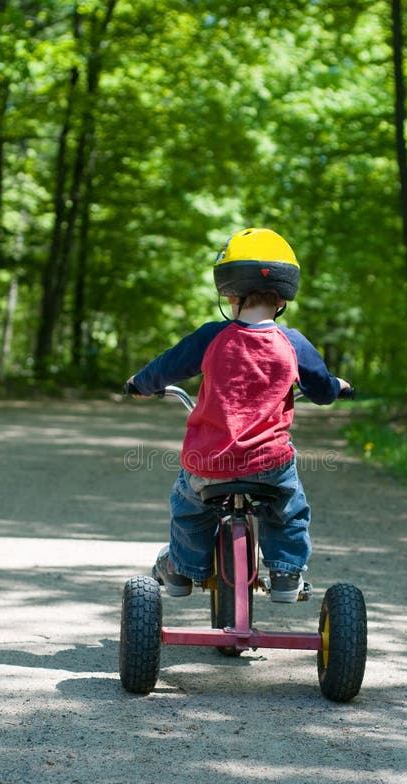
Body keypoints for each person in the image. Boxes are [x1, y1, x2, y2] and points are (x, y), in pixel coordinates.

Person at [124, 227, 351, 602]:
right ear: (282, 297)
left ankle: (182, 568)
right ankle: (285, 574)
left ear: (229, 293)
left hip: (208, 460)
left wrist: (141, 383)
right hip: (269, 464)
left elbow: (166, 368)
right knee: (289, 510)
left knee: (189, 509)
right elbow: (322, 389)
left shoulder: (212, 336)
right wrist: (337, 386)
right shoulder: (292, 342)